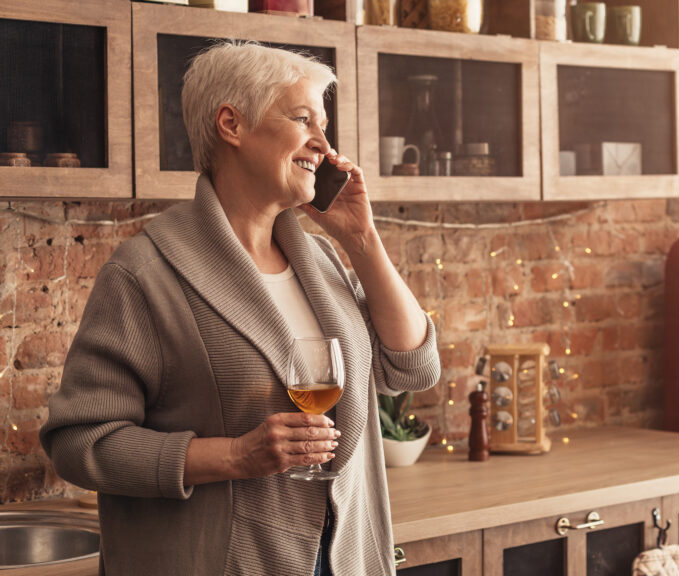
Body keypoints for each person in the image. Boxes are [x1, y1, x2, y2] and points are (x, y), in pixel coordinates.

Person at [40, 42, 440, 575]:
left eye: (323, 125)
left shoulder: (318, 258)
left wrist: (362, 239)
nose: (323, 145)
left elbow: (412, 367)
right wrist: (235, 456)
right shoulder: (145, 272)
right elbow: (78, 442)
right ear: (231, 124)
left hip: (345, 557)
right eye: (303, 120)